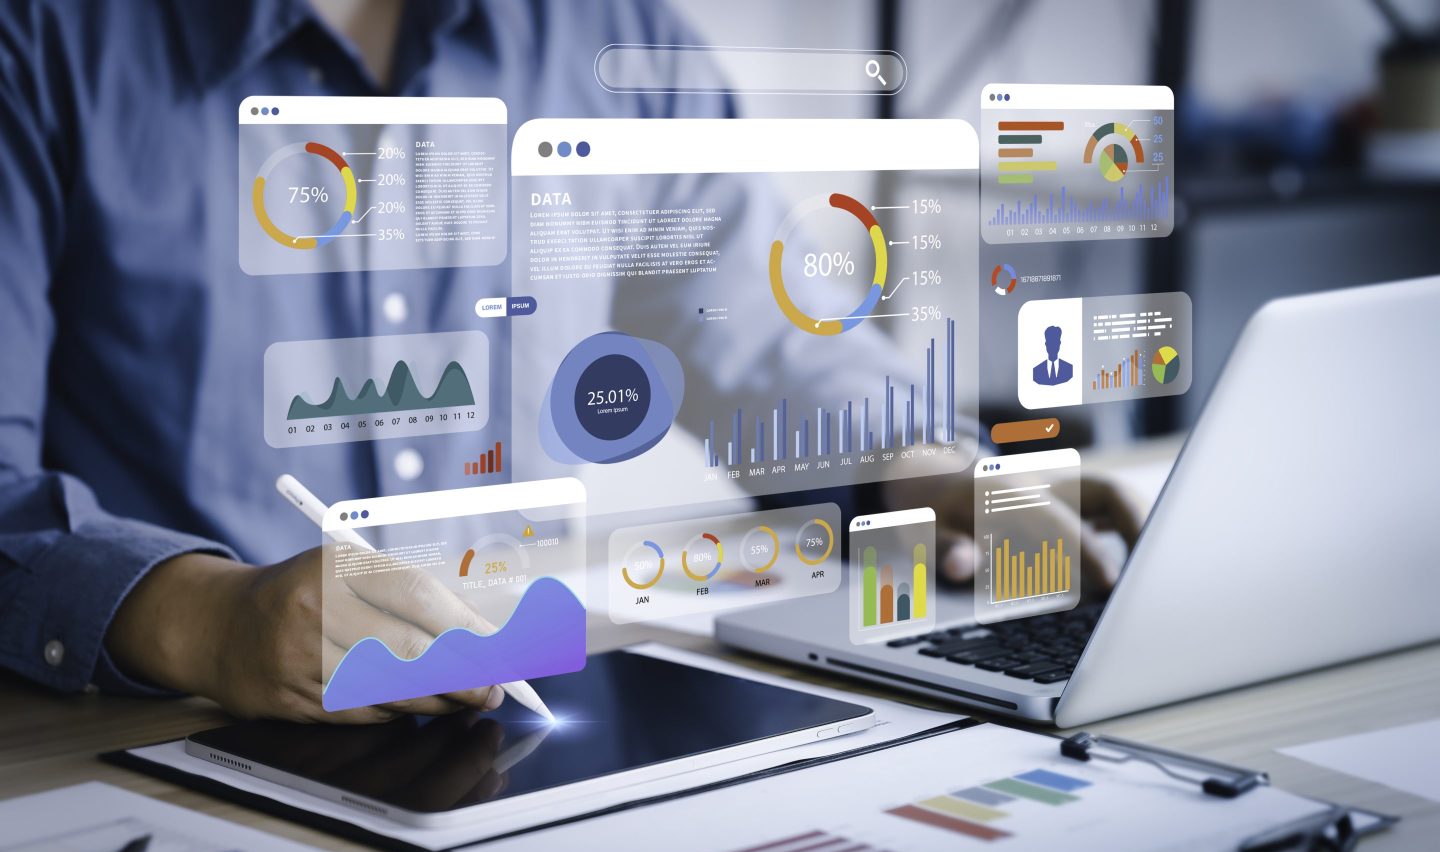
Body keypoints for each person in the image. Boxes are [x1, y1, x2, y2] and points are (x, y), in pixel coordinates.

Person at [0, 0, 1140, 723]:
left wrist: (929, 472)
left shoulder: (616, 36)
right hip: (142, 736)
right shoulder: (41, 40)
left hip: (517, 723)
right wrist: (209, 620)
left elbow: (756, 329)